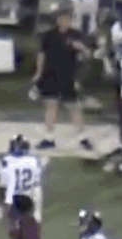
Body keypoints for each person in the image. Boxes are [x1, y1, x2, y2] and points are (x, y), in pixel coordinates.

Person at [32, 9, 92, 152]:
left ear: (71, 20)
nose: (65, 21)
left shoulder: (76, 35)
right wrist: (39, 73)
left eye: (67, 19)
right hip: (50, 75)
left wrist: (82, 48)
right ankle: (49, 138)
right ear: (58, 20)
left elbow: (88, 55)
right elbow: (42, 54)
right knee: (51, 106)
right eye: (62, 18)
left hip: (68, 76)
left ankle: (82, 138)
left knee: (74, 108)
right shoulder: (49, 35)